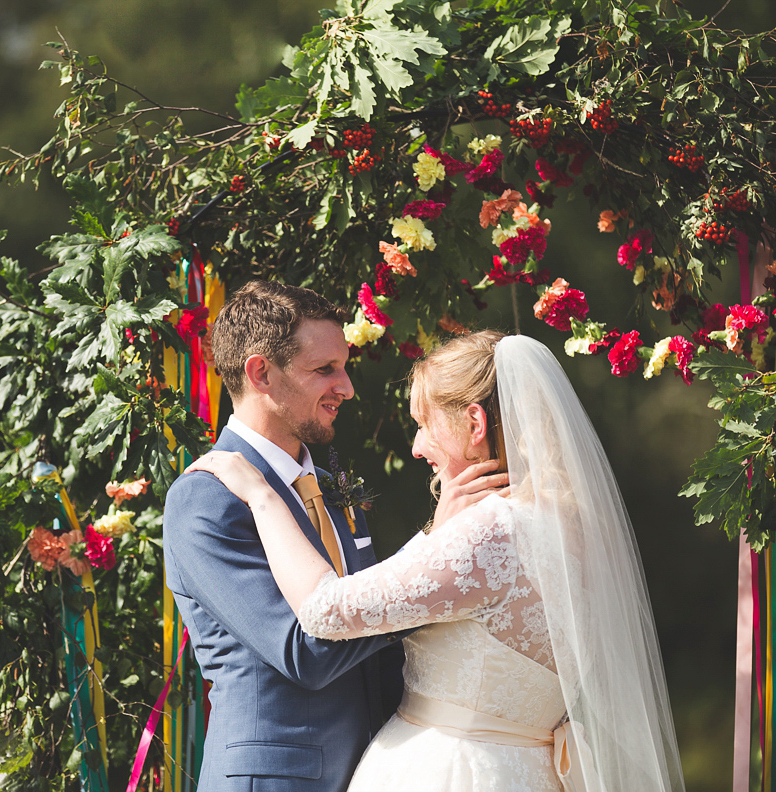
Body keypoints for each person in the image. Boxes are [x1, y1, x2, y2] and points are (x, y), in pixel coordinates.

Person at [187, 330, 687, 792]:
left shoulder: (488, 529)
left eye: (425, 424)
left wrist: (261, 497)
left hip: (450, 770)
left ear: (474, 422)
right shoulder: (574, 524)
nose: (417, 446)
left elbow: (324, 612)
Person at [163, 282, 509, 792]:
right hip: (277, 780)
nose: (346, 387)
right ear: (261, 373)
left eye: (343, 367)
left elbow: (374, 634)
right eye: (325, 369)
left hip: (377, 770)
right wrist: (435, 551)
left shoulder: (328, 487)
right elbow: (305, 652)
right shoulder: (208, 499)